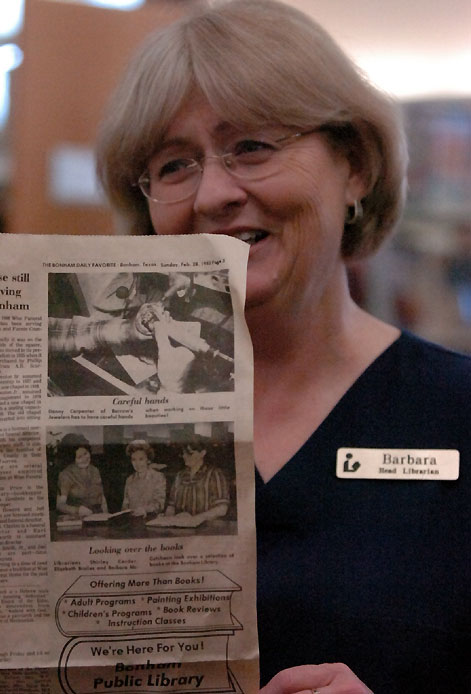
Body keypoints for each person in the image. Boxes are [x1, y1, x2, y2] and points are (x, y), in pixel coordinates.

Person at [95, 1, 471, 692]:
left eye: (252, 147)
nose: (212, 194)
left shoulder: (458, 412)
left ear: (354, 168)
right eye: (174, 165)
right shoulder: (92, 414)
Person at [164, 438, 230, 525]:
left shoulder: (214, 474)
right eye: (183, 453)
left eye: (190, 453)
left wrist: (196, 519)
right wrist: (169, 518)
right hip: (181, 525)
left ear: (202, 453)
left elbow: (222, 508)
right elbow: (171, 506)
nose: (184, 456)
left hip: (206, 527)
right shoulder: (180, 475)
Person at [56, 436, 108, 517]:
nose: (85, 459)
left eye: (85, 453)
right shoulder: (66, 475)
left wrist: (106, 515)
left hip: (98, 516)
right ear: (72, 459)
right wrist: (77, 510)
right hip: (77, 518)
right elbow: (60, 505)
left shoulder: (95, 470)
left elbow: (102, 497)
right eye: (79, 457)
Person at [122, 439, 166, 516]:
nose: (137, 463)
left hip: (152, 519)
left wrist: (145, 509)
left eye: (141, 459)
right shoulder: (129, 480)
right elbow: (125, 505)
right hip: (133, 520)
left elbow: (159, 504)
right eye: (134, 460)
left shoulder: (158, 477)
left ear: (148, 460)